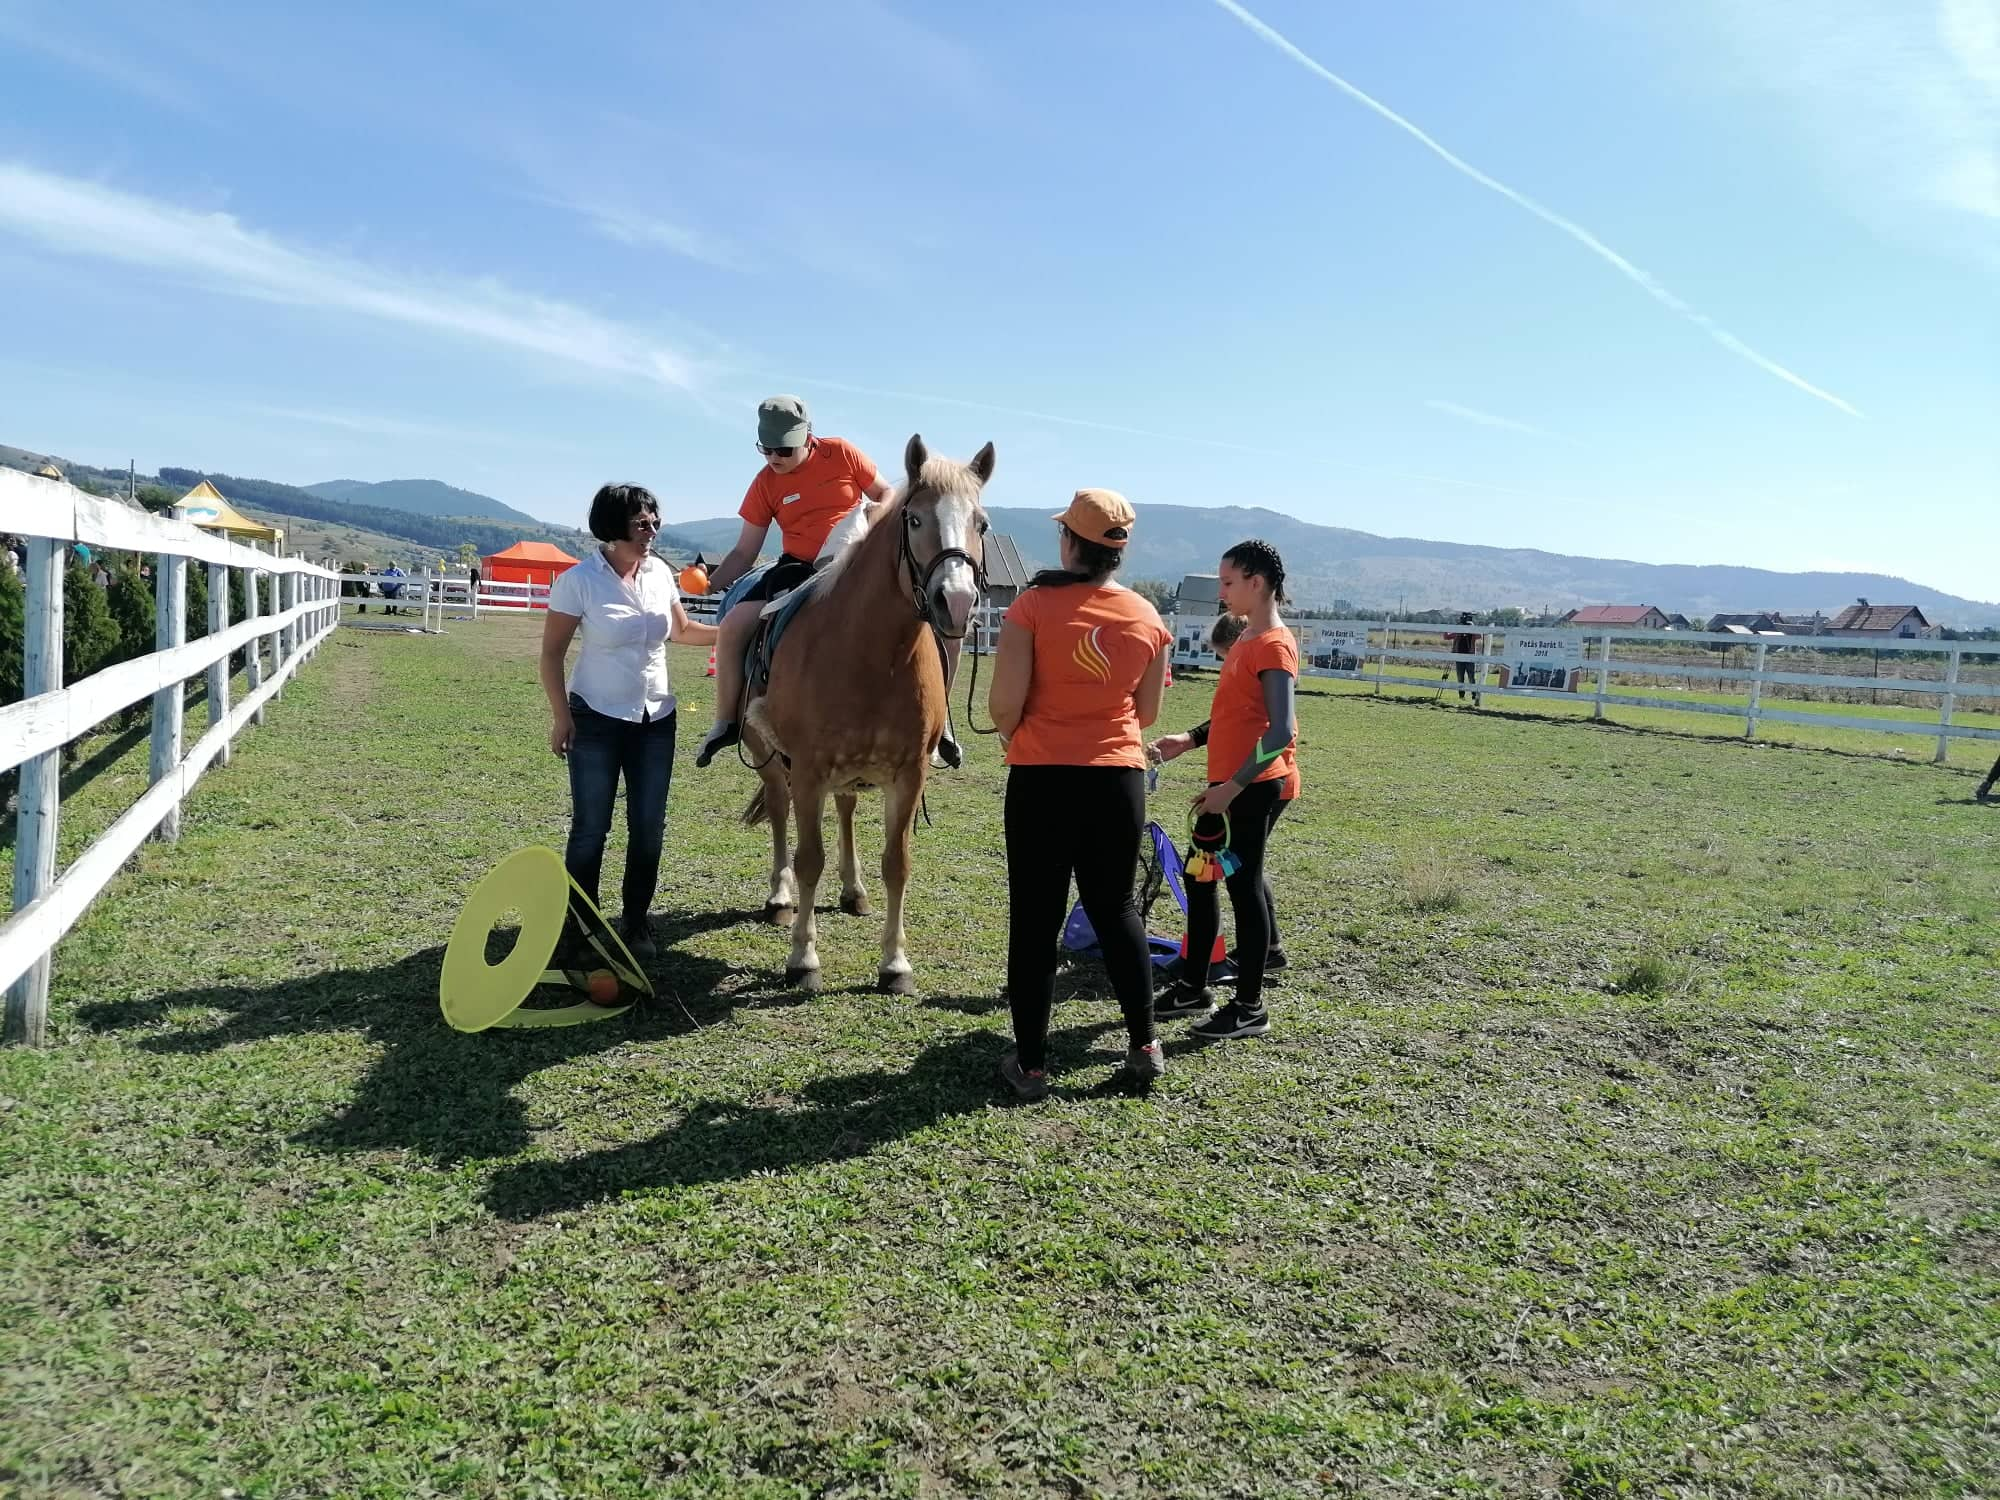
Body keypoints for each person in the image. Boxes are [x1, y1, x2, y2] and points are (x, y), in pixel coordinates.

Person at [988, 489, 1173, 1099]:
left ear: (1069, 541)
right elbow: (1145, 713)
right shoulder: (1148, 618)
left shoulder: (1032, 607)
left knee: (1035, 920)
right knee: (1117, 909)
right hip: (1117, 778)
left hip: (1042, 777)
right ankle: (1144, 1041)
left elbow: (1002, 707)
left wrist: (1032, 738)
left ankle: (1033, 1066)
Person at [540, 483, 719, 960]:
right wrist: (562, 717)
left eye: (655, 521)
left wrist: (738, 629)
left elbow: (680, 631)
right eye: (642, 522)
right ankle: (580, 925)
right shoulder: (579, 580)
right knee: (590, 828)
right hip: (595, 718)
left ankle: (636, 924)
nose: (652, 529)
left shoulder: (659, 572)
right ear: (614, 526)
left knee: (648, 828)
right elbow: (551, 654)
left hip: (656, 718)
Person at [694, 396, 909, 768]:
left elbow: (885, 494)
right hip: (797, 569)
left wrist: (874, 520)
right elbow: (745, 552)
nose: (774, 457)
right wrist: (712, 584)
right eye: (766, 449)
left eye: (784, 449)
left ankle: (935, 724)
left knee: (923, 611)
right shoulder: (764, 485)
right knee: (731, 627)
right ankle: (726, 721)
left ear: (808, 437)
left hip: (855, 561)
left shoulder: (841, 453)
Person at [1148, 540, 1300, 1041]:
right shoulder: (1246, 640)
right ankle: (1193, 986)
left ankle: (1250, 1008)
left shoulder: (1274, 645)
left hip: (1251, 789)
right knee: (1199, 878)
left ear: (1257, 583)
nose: (1221, 591)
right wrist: (1187, 740)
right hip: (1228, 787)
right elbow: (1235, 717)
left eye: (1228, 582)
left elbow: (1280, 732)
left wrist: (1230, 789)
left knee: (1244, 888)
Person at [1446, 611, 1482, 699]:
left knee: (1471, 677)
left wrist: (1472, 626)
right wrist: (1456, 627)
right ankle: (1461, 695)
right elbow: (1446, 636)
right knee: (1460, 677)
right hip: (1459, 656)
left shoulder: (1472, 631)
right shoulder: (1458, 630)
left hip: (1470, 656)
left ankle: (1474, 694)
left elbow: (1479, 636)